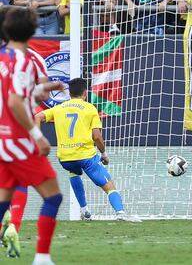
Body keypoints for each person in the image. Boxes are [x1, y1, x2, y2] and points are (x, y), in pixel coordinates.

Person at [0, 7, 63, 264]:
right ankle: (42, 257)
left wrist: (46, 86)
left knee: (3, 200)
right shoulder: (24, 59)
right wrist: (37, 134)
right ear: (32, 31)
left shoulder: (3, 57)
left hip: (3, 139)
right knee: (53, 196)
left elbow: (21, 92)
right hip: (18, 140)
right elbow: (16, 101)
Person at [36, 78, 138, 222]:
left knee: (73, 171)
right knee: (108, 185)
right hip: (86, 157)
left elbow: (37, 117)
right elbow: (97, 136)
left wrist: (37, 139)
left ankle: (85, 211)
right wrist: (104, 154)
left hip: (65, 158)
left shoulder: (58, 109)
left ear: (69, 93)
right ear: (85, 92)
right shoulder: (90, 108)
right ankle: (120, 212)